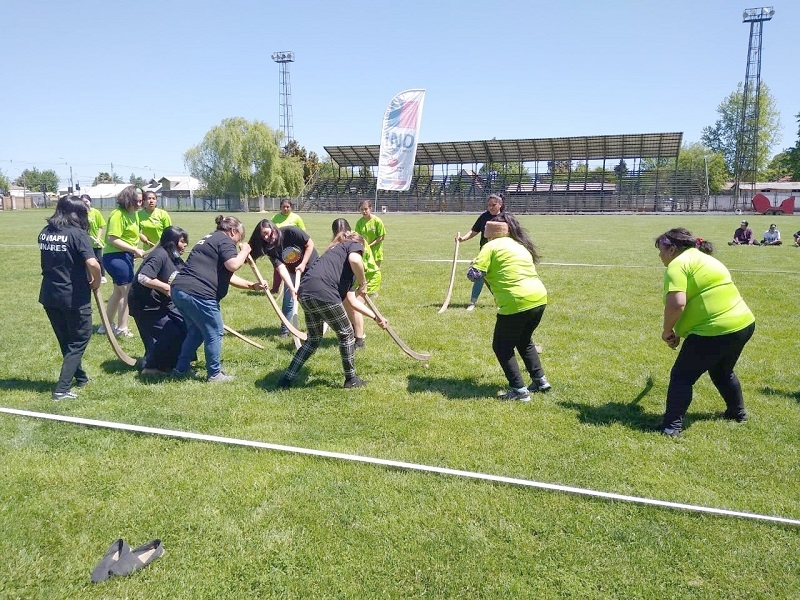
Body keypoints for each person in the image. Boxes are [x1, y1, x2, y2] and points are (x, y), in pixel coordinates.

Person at [655, 228, 756, 437]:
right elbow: (702, 301)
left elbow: (677, 305)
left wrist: (667, 331)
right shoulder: (705, 259)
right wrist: (681, 330)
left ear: (672, 249)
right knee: (722, 371)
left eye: (661, 249)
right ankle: (737, 414)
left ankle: (671, 428)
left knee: (682, 376)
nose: (659, 255)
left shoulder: (677, 265)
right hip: (743, 324)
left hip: (715, 331)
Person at [275, 229, 387, 389]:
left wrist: (377, 318)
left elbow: (352, 302)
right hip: (324, 293)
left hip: (305, 292)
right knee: (347, 335)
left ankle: (286, 379)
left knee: (313, 340)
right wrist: (363, 283)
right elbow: (355, 260)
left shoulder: (335, 255)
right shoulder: (353, 245)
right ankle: (351, 380)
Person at [467, 212, 550, 401]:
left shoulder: (489, 247)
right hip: (539, 298)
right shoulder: (519, 245)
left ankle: (519, 391)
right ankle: (540, 380)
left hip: (516, 302)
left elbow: (474, 275)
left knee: (502, 347)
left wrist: (473, 265)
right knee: (524, 340)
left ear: (488, 233)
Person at [170, 215, 260, 382]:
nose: (239, 241)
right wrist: (245, 251)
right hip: (199, 294)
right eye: (240, 237)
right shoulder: (225, 241)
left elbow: (226, 275)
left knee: (196, 332)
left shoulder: (209, 239)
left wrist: (252, 285)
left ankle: (181, 370)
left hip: (179, 290)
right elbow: (233, 265)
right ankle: (214, 374)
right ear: (233, 231)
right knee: (215, 331)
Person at [38, 195, 102, 400]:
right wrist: (97, 280)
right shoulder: (77, 234)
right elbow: (93, 263)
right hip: (73, 296)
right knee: (80, 339)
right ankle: (62, 389)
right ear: (77, 213)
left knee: (66, 339)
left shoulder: (46, 232)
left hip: (49, 294)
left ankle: (80, 377)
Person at [128, 226, 190, 375]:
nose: (185, 245)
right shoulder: (159, 255)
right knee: (169, 333)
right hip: (146, 306)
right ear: (172, 242)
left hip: (164, 304)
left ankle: (176, 363)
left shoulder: (174, 258)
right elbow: (143, 277)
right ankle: (151, 368)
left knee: (184, 327)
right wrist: (166, 288)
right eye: (182, 241)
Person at [248, 220, 317, 338]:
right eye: (262, 236)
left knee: (311, 299)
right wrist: (291, 287)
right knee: (288, 300)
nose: (265, 237)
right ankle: (285, 330)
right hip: (291, 271)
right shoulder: (269, 248)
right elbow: (281, 268)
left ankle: (316, 328)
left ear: (272, 227)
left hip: (311, 267)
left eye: (266, 232)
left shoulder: (291, 231)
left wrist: (303, 264)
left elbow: (310, 244)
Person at [100, 186, 145, 337]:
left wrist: (142, 240)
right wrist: (134, 250)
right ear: (128, 200)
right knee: (128, 293)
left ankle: (105, 326)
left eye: (141, 201)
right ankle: (122, 328)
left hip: (125, 257)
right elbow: (112, 239)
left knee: (118, 293)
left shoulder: (134, 214)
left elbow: (134, 232)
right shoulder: (118, 214)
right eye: (136, 201)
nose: (140, 204)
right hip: (115, 257)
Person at [331, 217, 381, 349]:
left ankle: (359, 340)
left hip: (368, 276)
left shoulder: (357, 241)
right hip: (353, 278)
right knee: (346, 303)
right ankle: (353, 332)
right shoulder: (339, 241)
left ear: (348, 231)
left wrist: (363, 284)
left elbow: (358, 264)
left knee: (355, 306)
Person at [456, 193, 505, 310]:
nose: (491, 207)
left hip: (500, 253)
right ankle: (472, 303)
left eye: (493, 205)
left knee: (495, 279)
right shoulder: (484, 217)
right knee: (479, 277)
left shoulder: (505, 218)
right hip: (485, 252)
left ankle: (501, 303)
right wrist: (463, 238)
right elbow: (474, 231)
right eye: (489, 205)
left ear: (500, 205)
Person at [81, 194, 107, 283]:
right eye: (83, 202)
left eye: (86, 201)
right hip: (86, 242)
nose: (85, 204)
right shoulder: (80, 214)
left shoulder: (96, 212)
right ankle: (88, 277)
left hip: (96, 241)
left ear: (90, 202)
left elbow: (101, 226)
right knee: (87, 260)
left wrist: (98, 238)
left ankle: (102, 276)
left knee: (99, 259)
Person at [355, 199, 386, 270]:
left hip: (376, 251)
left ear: (370, 208)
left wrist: (369, 245)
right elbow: (357, 237)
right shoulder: (359, 223)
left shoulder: (377, 221)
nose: (364, 211)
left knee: (375, 272)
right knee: (364, 272)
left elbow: (381, 237)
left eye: (366, 209)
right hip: (364, 251)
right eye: (362, 209)